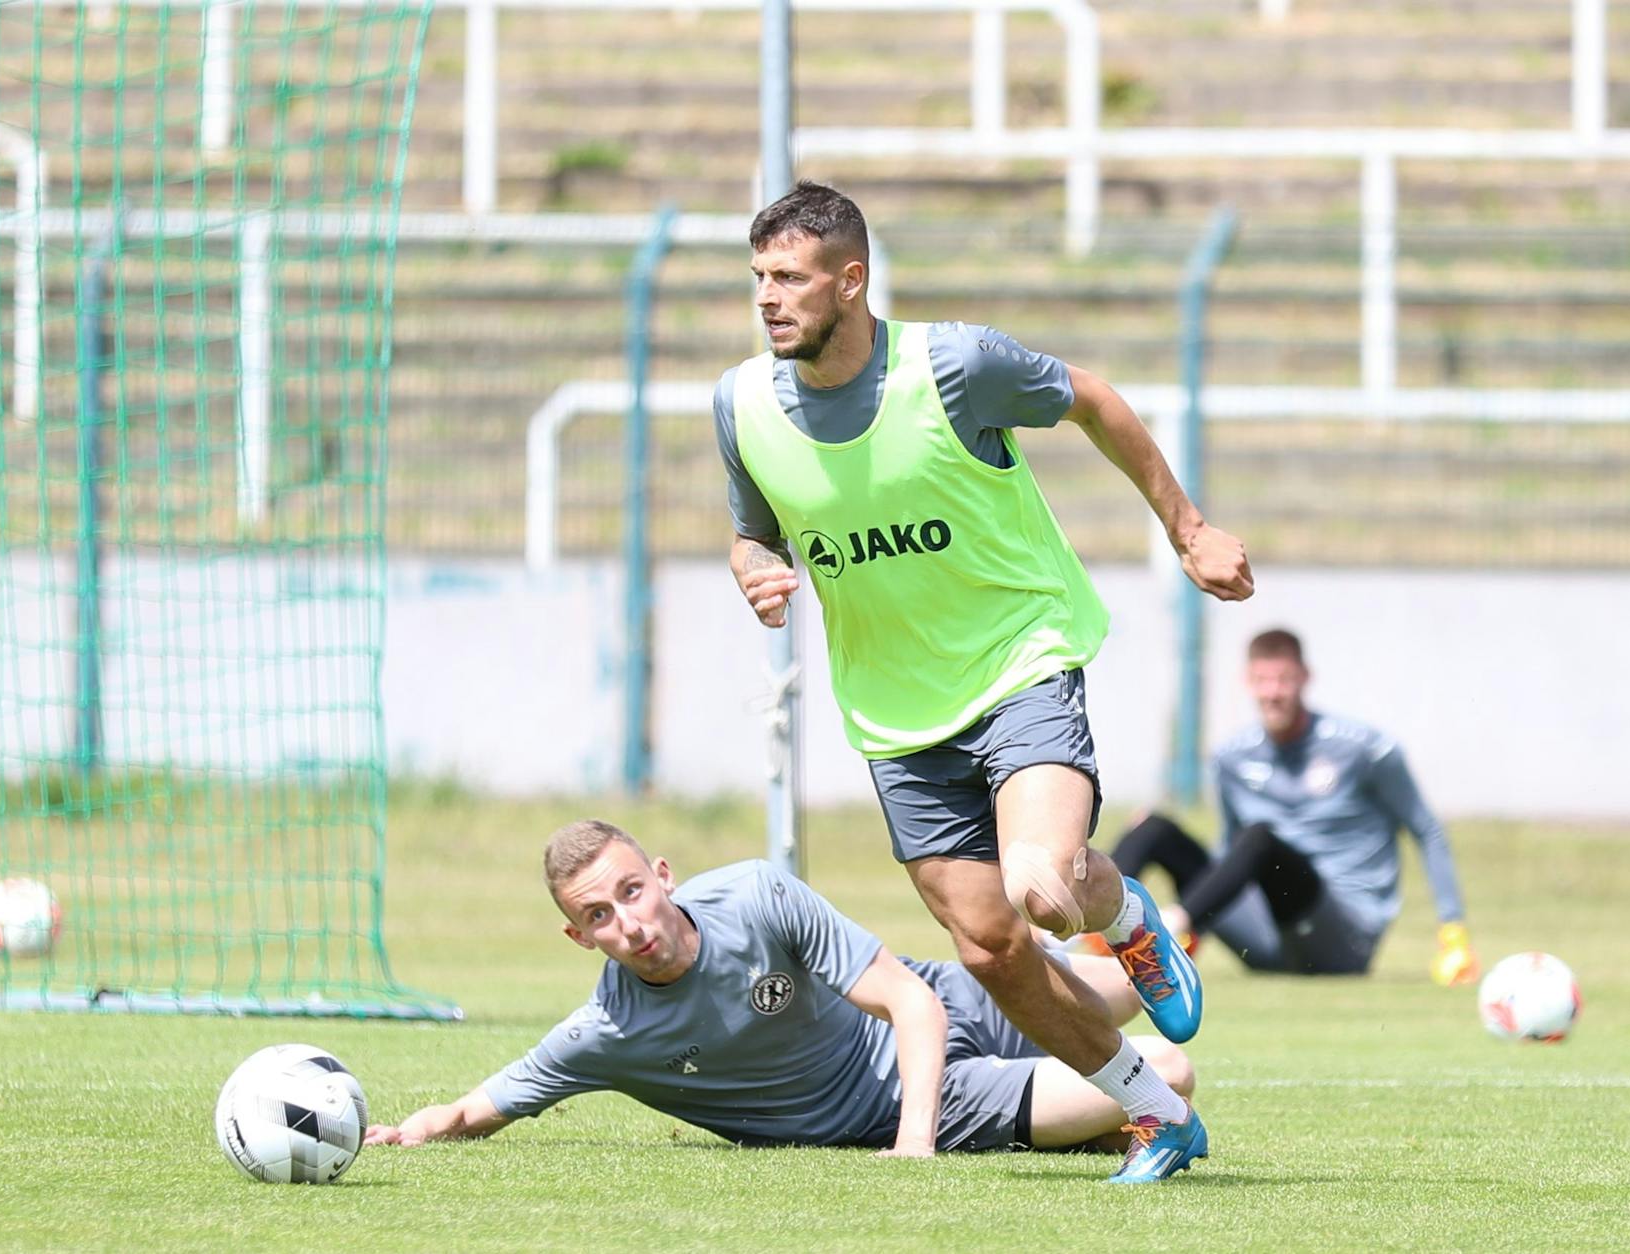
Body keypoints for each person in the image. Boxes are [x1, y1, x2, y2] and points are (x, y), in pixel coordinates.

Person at [711, 181, 1251, 1180]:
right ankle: (1153, 1114)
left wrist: (1187, 529)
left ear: (851, 280)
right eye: (758, 279)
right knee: (991, 952)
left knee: (1042, 886)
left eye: (788, 278)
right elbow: (752, 534)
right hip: (893, 713)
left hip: (1018, 662)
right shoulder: (741, 405)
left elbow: (1090, 398)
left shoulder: (951, 365)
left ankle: (1125, 918)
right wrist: (754, 572)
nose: (767, 299)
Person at [365, 820, 1196, 1170]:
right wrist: (411, 1130)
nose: (628, 922)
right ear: (579, 938)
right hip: (933, 1099)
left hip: (940, 1005)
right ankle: (1110, 1120)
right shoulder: (606, 1032)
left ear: (661, 877)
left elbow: (912, 1002)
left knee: (1134, 993)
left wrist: (914, 1153)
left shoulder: (757, 895)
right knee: (1171, 1075)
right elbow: (483, 1106)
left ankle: (1134, 925)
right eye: (598, 917)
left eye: (629, 891)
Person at [1112, 628, 1477, 981]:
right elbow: (1229, 849)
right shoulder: (1231, 758)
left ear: (1305, 678)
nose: (1273, 693)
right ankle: (1089, 936)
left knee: (1261, 840)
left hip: (1342, 938)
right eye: (1263, 680)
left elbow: (1426, 830)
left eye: (1284, 679)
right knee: (1153, 828)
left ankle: (1168, 931)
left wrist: (1453, 930)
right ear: (1247, 682)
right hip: (1265, 938)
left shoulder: (1365, 750)